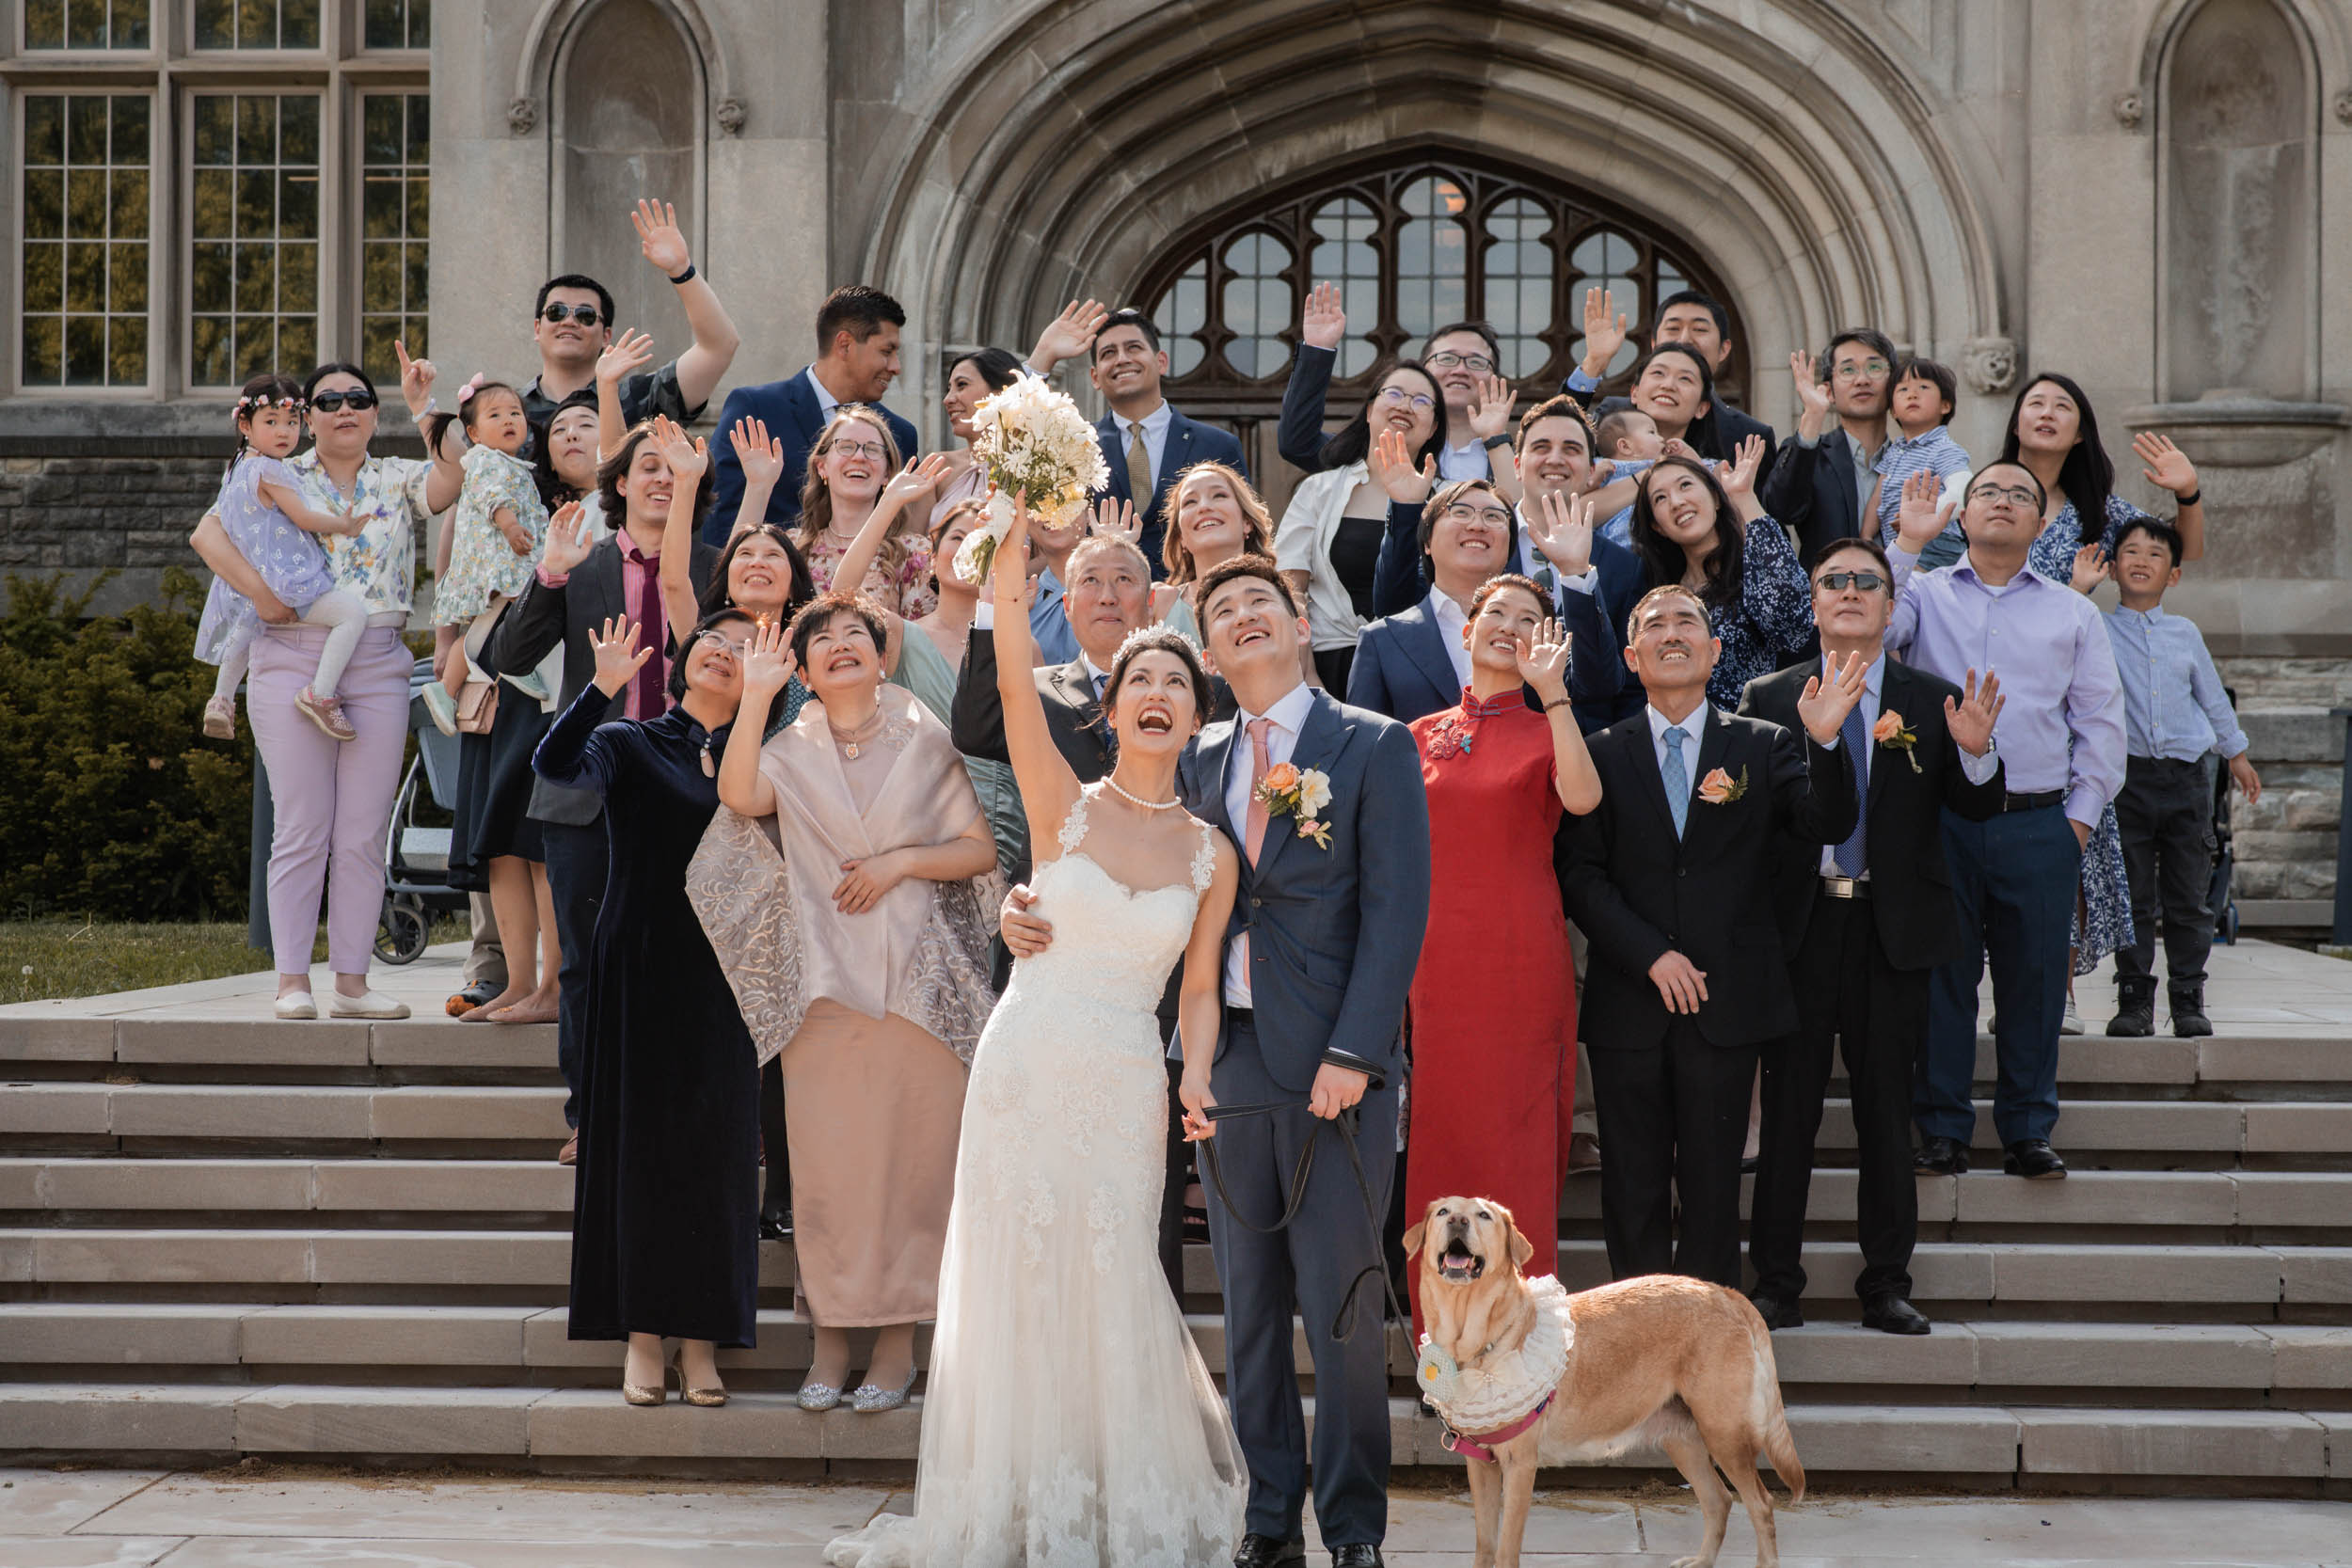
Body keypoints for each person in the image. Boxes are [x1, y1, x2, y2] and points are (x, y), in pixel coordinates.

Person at [822, 508, 1249, 1568]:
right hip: (1028, 1058)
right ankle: (1009, 1501)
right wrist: (1011, 563)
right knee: (1018, 1270)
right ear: (1113, 707)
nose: (1156, 694)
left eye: (1176, 683)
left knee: (1111, 1270)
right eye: (1139, 682)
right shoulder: (1062, 806)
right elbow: (1013, 686)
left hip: (1125, 1073)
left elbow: (1199, 987)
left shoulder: (1212, 853)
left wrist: (1196, 1071)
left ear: (1197, 716)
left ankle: (1106, 1498)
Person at [1006, 555, 1430, 1567]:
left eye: (1259, 603)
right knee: (1248, 1312)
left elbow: (1397, 912)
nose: (1243, 616)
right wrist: (1029, 902)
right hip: (1225, 1061)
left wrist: (1355, 1052)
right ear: (1208, 645)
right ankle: (1267, 1519)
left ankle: (1355, 1528)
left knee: (1341, 1307)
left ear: (1299, 623)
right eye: (1222, 607)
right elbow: (1116, 852)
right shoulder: (1194, 754)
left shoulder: (1372, 744)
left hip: (1333, 1069)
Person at [702, 594, 998, 1415]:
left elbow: (978, 848)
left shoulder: (926, 738)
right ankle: (831, 1339)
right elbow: (739, 795)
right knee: (830, 1176)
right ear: (803, 668)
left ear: (881, 654)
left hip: (919, 989)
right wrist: (757, 697)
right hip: (823, 989)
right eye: (822, 640)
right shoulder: (787, 749)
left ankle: (898, 1344)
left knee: (912, 1171)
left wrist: (899, 861)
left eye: (855, 634)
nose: (840, 645)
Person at [1738, 537, 2006, 1336]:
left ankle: (1886, 1282)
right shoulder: (1770, 695)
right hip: (1801, 928)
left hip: (1894, 931)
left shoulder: (1933, 700)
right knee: (1789, 1113)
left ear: (1891, 607)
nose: (1850, 591)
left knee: (1887, 1114)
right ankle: (1776, 1284)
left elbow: (1975, 807)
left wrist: (1978, 754)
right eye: (1835, 581)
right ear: (1815, 602)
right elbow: (1757, 822)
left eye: (1867, 581)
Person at [1560, 585, 1862, 1290]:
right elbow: (1580, 874)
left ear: (1715, 649)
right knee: (1631, 1187)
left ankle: (1703, 1339)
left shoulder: (1763, 743)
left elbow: (1827, 823)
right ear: (1631, 657)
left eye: (1687, 622)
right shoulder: (1598, 753)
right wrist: (1650, 955)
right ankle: (1638, 1336)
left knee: (1714, 1187)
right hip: (1628, 1005)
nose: (1672, 633)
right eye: (1654, 625)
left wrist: (1825, 741)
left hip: (1728, 1003)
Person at [531, 610, 757, 1405]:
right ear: (685, 658)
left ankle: (702, 1341)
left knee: (715, 1157)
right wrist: (599, 688)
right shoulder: (632, 741)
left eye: (743, 649)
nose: (724, 653)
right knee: (640, 1152)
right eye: (714, 641)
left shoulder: (762, 755)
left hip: (726, 973)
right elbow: (555, 764)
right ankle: (642, 1337)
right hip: (640, 963)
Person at [191, 356, 461, 1017]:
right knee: (301, 825)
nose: (345, 409)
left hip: (377, 661)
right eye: (329, 400)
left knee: (363, 833)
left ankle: (351, 984)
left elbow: (456, 477)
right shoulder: (276, 469)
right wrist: (263, 597)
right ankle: (292, 982)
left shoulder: (398, 476)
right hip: (290, 654)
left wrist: (426, 409)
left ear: (375, 414)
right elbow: (208, 535)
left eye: (359, 399)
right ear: (305, 416)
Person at [480, 421, 721, 1159]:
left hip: (689, 792)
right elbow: (509, 656)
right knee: (586, 963)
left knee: (691, 962)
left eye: (675, 468)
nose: (661, 479)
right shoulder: (582, 564)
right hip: (588, 793)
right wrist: (549, 574)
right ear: (619, 483)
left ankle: (691, 1113)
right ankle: (592, 1116)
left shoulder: (714, 567)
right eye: (648, 466)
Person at [1885, 465, 2128, 1180]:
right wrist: (1906, 543)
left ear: (2039, 525)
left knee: (2035, 983)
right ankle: (1941, 1129)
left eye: (2021, 496)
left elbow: (2101, 724)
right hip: (1942, 820)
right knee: (1944, 982)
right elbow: (1874, 626)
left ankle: (2028, 1129)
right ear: (1963, 516)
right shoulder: (1923, 594)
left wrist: (2076, 824)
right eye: (1988, 492)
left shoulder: (2072, 612)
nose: (2003, 502)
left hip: (2039, 822)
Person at [1403, 576, 1598, 1332]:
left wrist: (1554, 695)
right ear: (1467, 627)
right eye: (1496, 613)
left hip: (1519, 959)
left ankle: (1520, 1336)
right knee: (1442, 1131)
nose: (1509, 625)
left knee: (1517, 1138)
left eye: (1528, 618)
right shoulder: (1416, 735)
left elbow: (1582, 798)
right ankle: (1442, 1336)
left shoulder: (1550, 726)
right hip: (1435, 962)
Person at [2006, 372, 2208, 1028]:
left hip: (2070, 708)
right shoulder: (1989, 495)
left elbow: (2180, 552)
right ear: (2016, 420)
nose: (2047, 413)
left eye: (2062, 405)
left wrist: (2187, 492)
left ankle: (2057, 993)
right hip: (1992, 699)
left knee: (2067, 849)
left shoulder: (2102, 514)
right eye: (2035, 402)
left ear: (2080, 432)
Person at [2100, 517, 2261, 1038]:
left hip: (2186, 779)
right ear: (2112, 567)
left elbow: (2212, 697)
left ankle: (2188, 997)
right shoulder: (2096, 628)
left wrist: (2237, 754)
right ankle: (2133, 1002)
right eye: (2130, 552)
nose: (2141, 561)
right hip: (2126, 781)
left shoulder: (2185, 633)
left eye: (2155, 554)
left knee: (2188, 896)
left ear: (2173, 575)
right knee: (2133, 896)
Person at [1561, 444, 1815, 717]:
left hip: (1748, 734)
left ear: (1716, 498)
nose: (1677, 502)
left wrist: (1744, 497)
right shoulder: (1652, 590)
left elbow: (1792, 626)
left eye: (1685, 485)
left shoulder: (1752, 569)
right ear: (1657, 526)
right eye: (1660, 498)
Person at [193, 374, 367, 743]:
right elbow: (302, 518)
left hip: (250, 574)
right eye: (271, 421)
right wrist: (344, 525)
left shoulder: (236, 468)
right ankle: (320, 693)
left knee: (245, 630)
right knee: (351, 615)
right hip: (286, 576)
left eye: (291, 422)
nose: (284, 432)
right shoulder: (270, 469)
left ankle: (221, 699)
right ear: (245, 425)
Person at [1272, 355, 1451, 693]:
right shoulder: (1319, 490)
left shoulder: (1448, 500)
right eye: (1394, 393)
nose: (1405, 406)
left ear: (1433, 428)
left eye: (1421, 401)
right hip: (1327, 664)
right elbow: (1289, 590)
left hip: (1420, 665)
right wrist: (1305, 673)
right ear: (1369, 411)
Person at [706, 284, 920, 539]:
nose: (896, 367)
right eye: (886, 351)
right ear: (845, 345)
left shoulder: (900, 434)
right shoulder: (756, 409)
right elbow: (719, 516)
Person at [1276, 281, 1520, 495]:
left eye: (1476, 362)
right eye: (1447, 358)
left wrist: (1495, 439)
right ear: (1424, 370)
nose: (1460, 369)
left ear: (1494, 377)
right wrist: (1317, 351)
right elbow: (1298, 443)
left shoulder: (1518, 459)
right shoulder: (1373, 451)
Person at [519, 199, 738, 435]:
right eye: (556, 312)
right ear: (537, 328)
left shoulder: (638, 398)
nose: (569, 322)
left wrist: (681, 270)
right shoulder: (508, 409)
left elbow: (719, 347)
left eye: (585, 315)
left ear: (606, 336)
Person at [423, 381, 551, 730]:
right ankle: (513, 663)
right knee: (518, 608)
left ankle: (447, 689)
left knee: (486, 627)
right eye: (495, 415)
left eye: (515, 413)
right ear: (474, 433)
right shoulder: (486, 461)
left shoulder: (511, 464)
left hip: (507, 558)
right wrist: (510, 526)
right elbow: (492, 496)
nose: (508, 420)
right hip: (495, 561)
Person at [1089, 308, 1250, 574]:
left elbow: (1242, 535)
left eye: (1133, 348)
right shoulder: (1079, 447)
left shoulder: (1218, 446)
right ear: (1095, 377)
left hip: (1197, 592)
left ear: (1161, 361)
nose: (1122, 359)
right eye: (1109, 353)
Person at [1347, 471, 1511, 723]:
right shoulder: (1382, 641)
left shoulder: (1540, 633)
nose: (1477, 525)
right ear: (1427, 542)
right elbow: (1364, 739)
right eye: (1461, 512)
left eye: (1493, 516)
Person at [1562, 286, 1777, 469]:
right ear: (1654, 343)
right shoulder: (1612, 416)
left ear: (1724, 349)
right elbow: (1557, 439)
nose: (1684, 340)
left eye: (1700, 329)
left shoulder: (1748, 437)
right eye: (1673, 328)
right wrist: (1594, 364)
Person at [1759, 331, 1894, 568]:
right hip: (1827, 588)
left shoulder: (1913, 458)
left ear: (1893, 383)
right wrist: (1812, 417)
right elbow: (1782, 509)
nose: (1862, 380)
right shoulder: (1810, 453)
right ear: (1829, 391)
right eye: (1848, 370)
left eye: (1874, 368)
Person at [792, 406, 937, 614]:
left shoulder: (914, 551)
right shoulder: (793, 548)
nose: (859, 457)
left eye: (872, 449)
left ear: (887, 474)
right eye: (846, 446)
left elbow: (917, 633)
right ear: (821, 466)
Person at [1153, 461, 1278, 644]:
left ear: (1247, 522)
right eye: (1190, 502)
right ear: (1181, 537)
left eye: (1219, 495)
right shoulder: (1157, 603)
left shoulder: (1281, 603)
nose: (1204, 507)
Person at [1870, 356, 1971, 566]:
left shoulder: (1943, 448)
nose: (1912, 394)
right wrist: (1865, 538)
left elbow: (1963, 492)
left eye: (1923, 387)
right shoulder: (1893, 452)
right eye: (1903, 389)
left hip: (1935, 546)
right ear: (1893, 411)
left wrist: (1922, 518)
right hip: (1897, 547)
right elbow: (1877, 500)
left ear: (1945, 405)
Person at [1592, 405, 1662, 546]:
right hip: (1611, 543)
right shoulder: (1603, 468)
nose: (1661, 438)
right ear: (1625, 446)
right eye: (1652, 432)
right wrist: (1593, 481)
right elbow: (1579, 494)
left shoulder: (1660, 466)